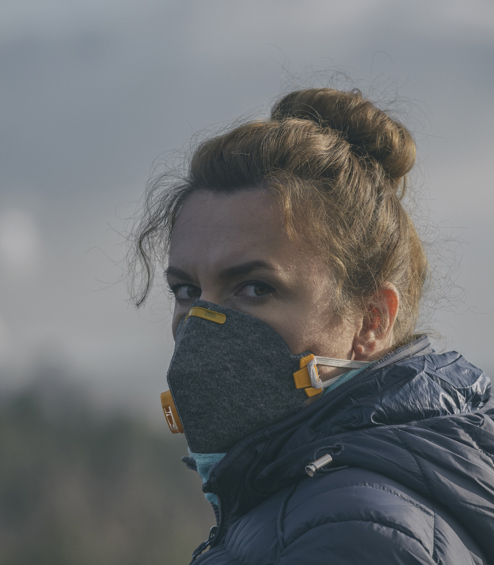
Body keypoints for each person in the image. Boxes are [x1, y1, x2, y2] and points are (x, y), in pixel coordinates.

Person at [129, 88, 494, 564]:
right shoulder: (313, 496)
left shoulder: (353, 536)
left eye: (255, 288)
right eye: (187, 291)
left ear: (371, 321)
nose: (202, 326)